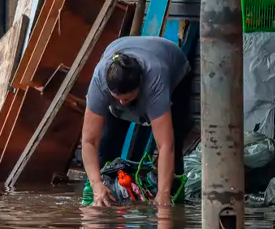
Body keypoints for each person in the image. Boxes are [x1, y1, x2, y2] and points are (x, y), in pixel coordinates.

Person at [81, 36, 192, 208]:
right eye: (118, 99)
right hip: (121, 53)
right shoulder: (99, 82)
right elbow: (89, 141)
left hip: (173, 65)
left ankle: (173, 198)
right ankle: (103, 196)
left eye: (127, 98)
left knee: (174, 143)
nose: (122, 103)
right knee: (107, 141)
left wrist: (163, 196)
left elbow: (165, 145)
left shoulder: (154, 82)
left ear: (140, 87)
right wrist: (96, 185)